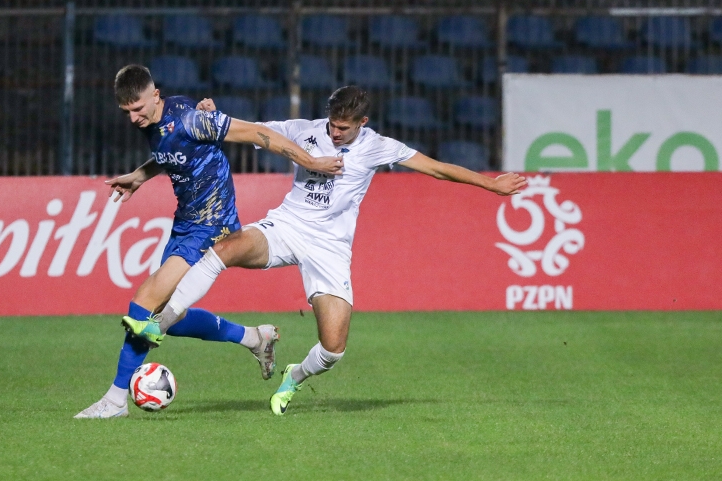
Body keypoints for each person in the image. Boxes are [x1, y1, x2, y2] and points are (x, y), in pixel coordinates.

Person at [122, 85, 527, 415]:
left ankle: (293, 378)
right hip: (287, 226)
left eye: (343, 128)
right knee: (226, 246)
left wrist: (490, 184)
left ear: (362, 124)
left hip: (330, 249)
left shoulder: (378, 147)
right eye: (332, 125)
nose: (334, 134)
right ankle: (161, 324)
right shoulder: (305, 129)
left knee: (333, 348)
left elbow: (437, 168)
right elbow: (251, 129)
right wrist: (213, 112)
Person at [75, 65, 343, 418]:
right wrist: (141, 176)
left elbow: (259, 134)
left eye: (138, 109)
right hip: (185, 223)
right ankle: (254, 338)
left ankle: (114, 401)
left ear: (155, 95)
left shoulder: (192, 119)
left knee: (142, 306)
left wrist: (312, 162)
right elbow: (172, 153)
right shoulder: (163, 119)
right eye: (127, 112)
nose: (134, 118)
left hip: (212, 224)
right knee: (167, 315)